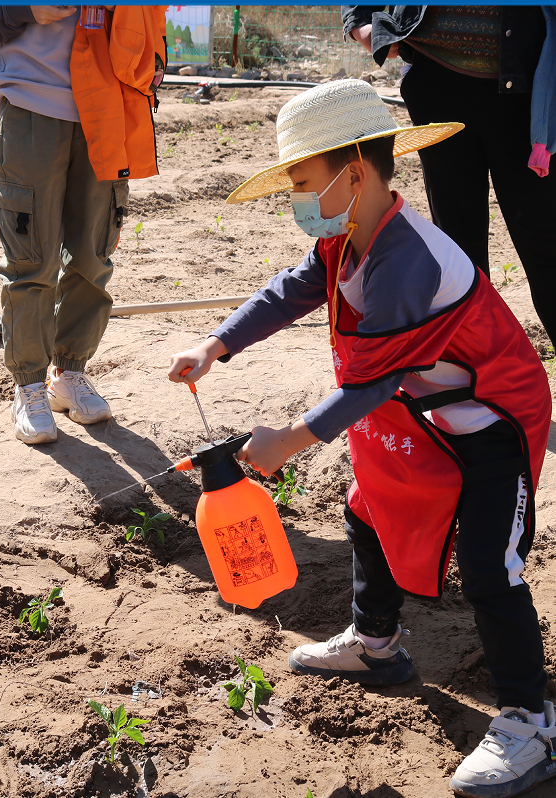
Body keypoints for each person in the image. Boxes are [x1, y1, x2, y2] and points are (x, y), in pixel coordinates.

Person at [168, 79, 556, 798]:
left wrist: (294, 437)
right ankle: (376, 645)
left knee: (489, 561)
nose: (298, 201)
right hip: (428, 410)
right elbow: (292, 288)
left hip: (492, 420)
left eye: (303, 182)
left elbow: (375, 380)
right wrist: (216, 344)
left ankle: (530, 720)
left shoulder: (410, 261)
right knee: (367, 505)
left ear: (355, 173)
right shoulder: (351, 235)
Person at [0, 5, 167, 444]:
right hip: (32, 108)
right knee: (32, 259)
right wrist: (28, 9)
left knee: (93, 254)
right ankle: (29, 384)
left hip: (109, 110)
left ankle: (70, 374)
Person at [341, 5, 556, 348]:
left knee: (545, 239)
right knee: (459, 244)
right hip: (436, 81)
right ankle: (480, 372)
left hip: (533, 90)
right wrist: (361, 21)